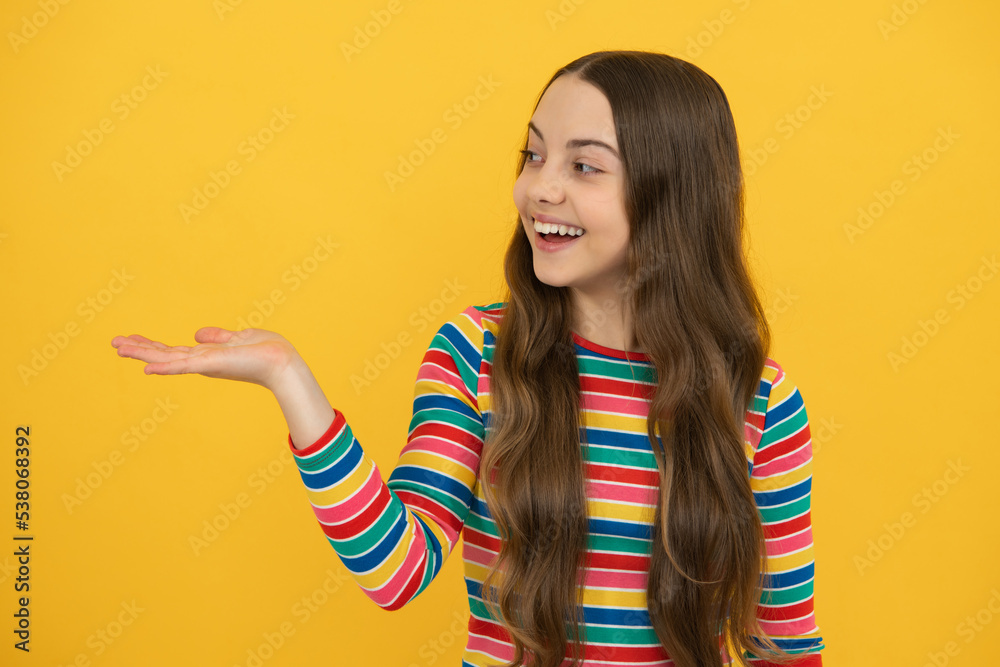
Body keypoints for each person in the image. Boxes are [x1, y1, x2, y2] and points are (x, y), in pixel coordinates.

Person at [112, 50, 825, 667]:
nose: (540, 187)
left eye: (583, 165)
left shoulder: (760, 398)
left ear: (672, 194)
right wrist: (289, 380)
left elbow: (785, 642)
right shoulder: (478, 352)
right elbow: (397, 570)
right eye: (534, 154)